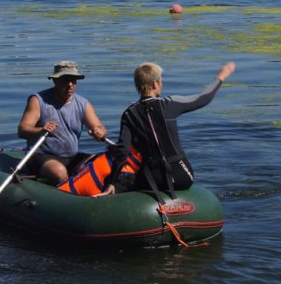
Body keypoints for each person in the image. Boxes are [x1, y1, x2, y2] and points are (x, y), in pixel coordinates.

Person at [97, 61, 236, 197]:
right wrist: (221, 76)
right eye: (161, 80)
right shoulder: (169, 104)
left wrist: (112, 182)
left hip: (153, 180)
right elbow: (204, 98)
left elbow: (122, 152)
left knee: (119, 181)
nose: (161, 84)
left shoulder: (129, 114)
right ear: (154, 84)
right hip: (183, 176)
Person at [17, 61, 107, 185]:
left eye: (74, 80)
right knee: (59, 172)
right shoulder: (38, 100)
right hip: (41, 156)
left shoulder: (83, 103)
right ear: (55, 81)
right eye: (65, 80)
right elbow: (22, 130)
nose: (70, 85)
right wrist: (41, 130)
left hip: (71, 157)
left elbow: (99, 127)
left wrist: (99, 132)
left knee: (101, 163)